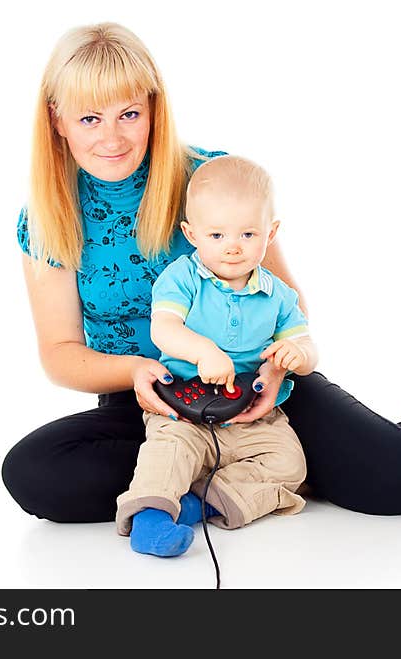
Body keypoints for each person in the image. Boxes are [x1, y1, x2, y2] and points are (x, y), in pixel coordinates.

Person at [2, 22, 401, 531]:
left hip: (254, 386)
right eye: (90, 118)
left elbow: (285, 298)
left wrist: (273, 372)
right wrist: (139, 373)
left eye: (129, 114)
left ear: (153, 110)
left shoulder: (210, 179)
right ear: (58, 120)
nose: (111, 137)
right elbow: (60, 353)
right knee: (33, 473)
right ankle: (255, 476)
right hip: (152, 399)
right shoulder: (49, 216)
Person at [116, 155, 318, 557]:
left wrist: (297, 354)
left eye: (247, 234)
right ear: (191, 234)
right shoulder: (181, 278)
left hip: (252, 414)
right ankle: (151, 518)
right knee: (167, 451)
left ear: (270, 232)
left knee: (289, 462)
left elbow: (307, 346)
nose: (232, 248)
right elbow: (164, 329)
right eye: (217, 236)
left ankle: (203, 504)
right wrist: (204, 350)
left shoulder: (278, 295)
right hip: (184, 409)